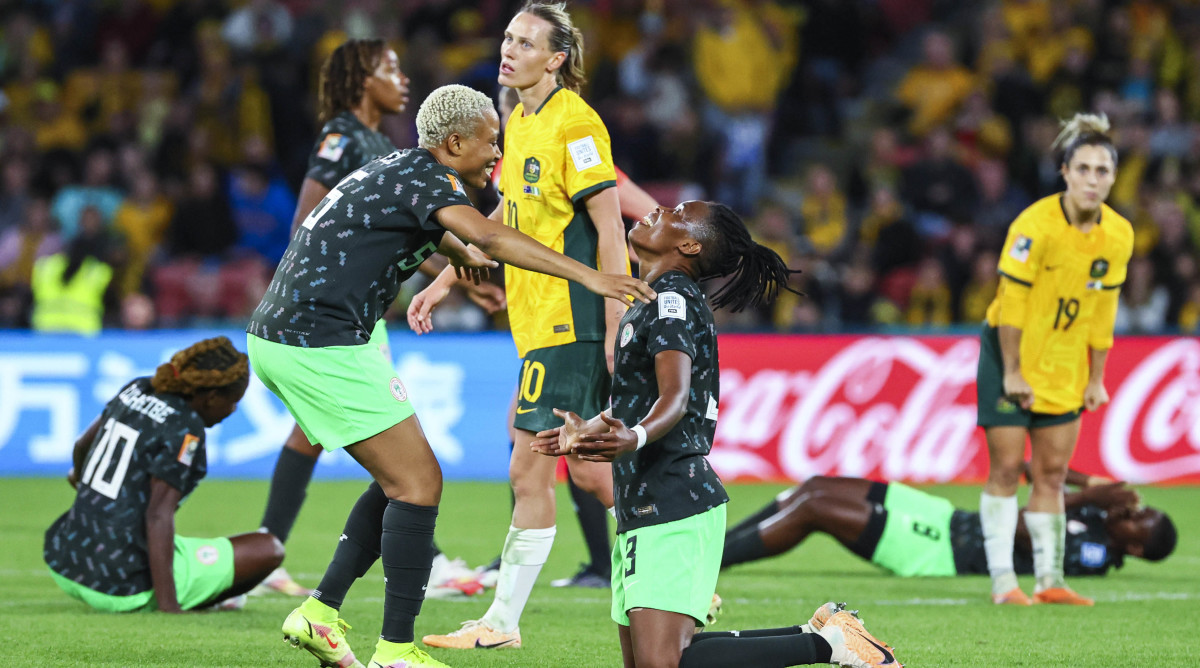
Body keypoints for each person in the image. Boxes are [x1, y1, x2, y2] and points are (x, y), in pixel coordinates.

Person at [247, 83, 653, 668]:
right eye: (491, 141)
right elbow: (487, 235)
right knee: (420, 485)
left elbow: (455, 241)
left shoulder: (399, 168)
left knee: (398, 478)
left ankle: (320, 614)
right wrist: (588, 276)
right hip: (319, 340)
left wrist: (455, 266)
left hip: (293, 334)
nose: (498, 152)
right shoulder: (429, 180)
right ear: (455, 141)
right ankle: (396, 651)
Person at [531, 200, 899, 668]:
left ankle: (828, 644)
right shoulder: (652, 299)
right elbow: (641, 402)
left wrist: (637, 438)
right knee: (651, 663)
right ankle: (823, 634)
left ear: (688, 245)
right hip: (643, 498)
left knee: (662, 663)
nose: (659, 209)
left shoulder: (672, 299)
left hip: (671, 496)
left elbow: (675, 397)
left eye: (677, 212)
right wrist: (590, 428)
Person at [415, 3, 637, 650]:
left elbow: (609, 225)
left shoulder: (577, 122)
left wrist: (617, 320)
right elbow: (506, 221)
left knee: (528, 470)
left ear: (557, 58)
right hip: (536, 321)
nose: (507, 51)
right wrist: (444, 278)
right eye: (507, 38)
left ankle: (500, 623)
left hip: (574, 320)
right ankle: (676, 566)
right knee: (592, 471)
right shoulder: (515, 119)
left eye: (525, 42)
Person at [252, 39, 500, 598]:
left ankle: (282, 556)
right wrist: (317, 288)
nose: (402, 78)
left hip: (357, 309)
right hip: (329, 315)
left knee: (380, 447)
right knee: (398, 456)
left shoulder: (382, 145)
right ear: (362, 78)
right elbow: (312, 218)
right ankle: (404, 560)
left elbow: (403, 221)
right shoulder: (342, 137)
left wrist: (451, 266)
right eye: (389, 69)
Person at [977, 112, 1134, 606]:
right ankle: (1005, 583)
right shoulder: (1035, 225)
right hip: (1009, 354)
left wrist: (1097, 376)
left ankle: (1050, 581)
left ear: (1113, 177)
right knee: (1005, 468)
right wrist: (1015, 371)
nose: (1092, 180)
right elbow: (1013, 303)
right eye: (1083, 169)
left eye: (1102, 171)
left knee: (1052, 474)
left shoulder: (1120, 235)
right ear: (1065, 172)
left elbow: (1103, 308)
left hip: (1066, 362)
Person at [44, 337, 282, 613]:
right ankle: (194, 598)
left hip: (66, 560)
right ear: (212, 397)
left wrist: (82, 483)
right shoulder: (186, 429)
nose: (233, 410)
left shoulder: (138, 388)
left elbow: (81, 445)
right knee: (269, 548)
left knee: (179, 543)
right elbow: (158, 515)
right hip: (121, 586)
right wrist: (170, 607)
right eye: (233, 402)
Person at [722, 472, 1176, 578]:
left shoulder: (1092, 556)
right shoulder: (1098, 518)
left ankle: (713, 561)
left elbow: (1020, 525)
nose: (1131, 515)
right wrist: (1090, 484)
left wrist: (1089, 497)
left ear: (1134, 550)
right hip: (946, 517)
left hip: (940, 551)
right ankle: (716, 548)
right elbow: (1035, 470)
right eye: (1140, 509)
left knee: (814, 508)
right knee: (815, 484)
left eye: (1138, 522)